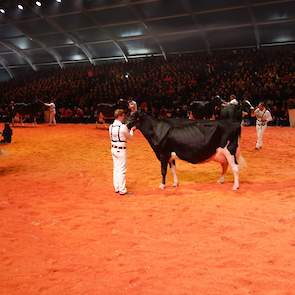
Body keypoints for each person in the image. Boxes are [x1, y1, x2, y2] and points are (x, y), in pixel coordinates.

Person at [109, 109, 135, 195]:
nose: (124, 117)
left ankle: (117, 187)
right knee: (122, 170)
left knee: (116, 168)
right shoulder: (123, 127)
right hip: (121, 150)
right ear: (120, 116)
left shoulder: (111, 126)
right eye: (123, 116)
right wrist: (131, 130)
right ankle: (122, 189)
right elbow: (130, 137)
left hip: (113, 148)